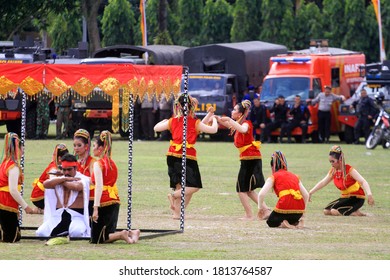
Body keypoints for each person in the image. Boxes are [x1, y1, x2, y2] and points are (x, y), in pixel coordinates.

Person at [154, 94, 218, 219]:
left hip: (172, 155)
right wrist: (214, 119)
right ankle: (174, 195)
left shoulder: (173, 121)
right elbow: (213, 130)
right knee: (193, 186)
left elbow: (156, 128)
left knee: (181, 185)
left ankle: (177, 213)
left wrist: (164, 121)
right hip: (187, 156)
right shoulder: (194, 122)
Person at [216, 100, 270, 220]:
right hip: (249, 158)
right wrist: (218, 119)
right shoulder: (239, 123)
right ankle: (266, 210)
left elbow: (243, 129)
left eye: (235, 110)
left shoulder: (246, 123)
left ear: (240, 114)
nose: (232, 111)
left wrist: (229, 120)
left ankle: (249, 215)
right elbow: (233, 126)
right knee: (249, 190)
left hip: (251, 158)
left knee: (241, 189)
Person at [91, 130, 140, 244]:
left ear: (100, 148)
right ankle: (131, 232)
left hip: (104, 201)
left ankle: (122, 234)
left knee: (97, 238)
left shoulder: (98, 164)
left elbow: (99, 186)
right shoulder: (112, 164)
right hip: (114, 200)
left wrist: (95, 208)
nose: (92, 149)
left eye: (94, 146)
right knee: (108, 231)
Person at [309, 145, 375, 216]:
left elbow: (363, 181)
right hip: (345, 197)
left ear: (340, 160)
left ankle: (357, 213)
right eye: (330, 161)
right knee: (326, 211)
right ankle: (353, 212)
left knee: (334, 211)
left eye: (333, 161)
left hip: (357, 197)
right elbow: (323, 182)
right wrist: (310, 192)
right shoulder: (333, 171)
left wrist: (369, 194)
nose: (331, 164)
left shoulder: (349, 170)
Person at [36, 153, 91, 238]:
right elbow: (45, 184)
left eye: (69, 170)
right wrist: (64, 178)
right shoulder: (60, 178)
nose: (66, 172)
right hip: (58, 215)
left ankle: (65, 231)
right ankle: (62, 231)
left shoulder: (83, 178)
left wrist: (61, 180)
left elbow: (76, 187)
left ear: (75, 168)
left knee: (77, 233)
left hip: (77, 215)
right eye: (64, 170)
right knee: (41, 233)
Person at [0, 133, 37, 243]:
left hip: (3, 202)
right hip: (6, 203)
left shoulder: (4, 164)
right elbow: (13, 190)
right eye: (22, 149)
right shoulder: (13, 167)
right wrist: (26, 207)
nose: (23, 152)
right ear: (17, 148)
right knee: (13, 238)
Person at [257, 151, 309, 229]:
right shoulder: (294, 176)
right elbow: (306, 194)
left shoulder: (274, 176)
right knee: (290, 217)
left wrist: (260, 208)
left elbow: (261, 194)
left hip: (285, 204)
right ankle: (296, 222)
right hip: (299, 208)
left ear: (272, 166)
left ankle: (283, 224)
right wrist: (303, 211)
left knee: (270, 222)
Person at [30, 143, 69, 212]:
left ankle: (41, 209)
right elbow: (54, 184)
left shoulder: (57, 164)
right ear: (60, 158)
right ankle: (42, 209)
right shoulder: (53, 168)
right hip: (39, 196)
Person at [73, 129, 95, 215]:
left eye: (79, 145)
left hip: (88, 197)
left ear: (86, 146)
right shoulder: (73, 162)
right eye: (74, 145)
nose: (76, 148)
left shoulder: (92, 162)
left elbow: (94, 181)